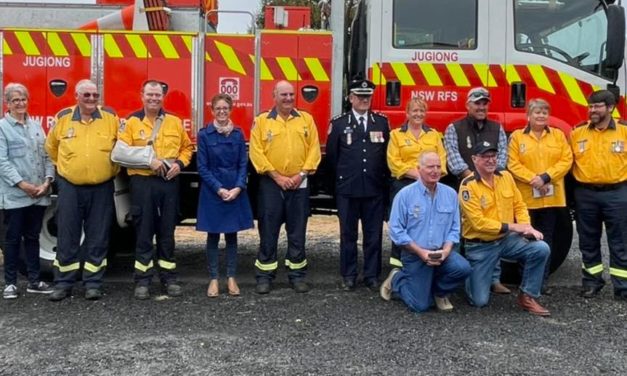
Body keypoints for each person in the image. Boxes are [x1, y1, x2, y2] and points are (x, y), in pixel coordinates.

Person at [117, 80, 193, 300]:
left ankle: (169, 278)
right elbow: (120, 152)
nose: (153, 99)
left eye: (157, 95)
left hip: (168, 183)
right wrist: (148, 160)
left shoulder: (174, 122)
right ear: (142, 95)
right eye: (149, 94)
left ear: (163, 97)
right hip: (142, 183)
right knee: (143, 231)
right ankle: (142, 280)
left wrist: (179, 164)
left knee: (167, 232)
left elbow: (187, 148)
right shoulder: (131, 122)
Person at [45, 79, 119, 301]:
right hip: (70, 187)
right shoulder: (63, 118)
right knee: (68, 234)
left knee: (98, 236)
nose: (91, 99)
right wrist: (68, 168)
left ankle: (93, 283)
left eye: (95, 95)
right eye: (86, 95)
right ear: (76, 96)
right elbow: (51, 147)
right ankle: (63, 284)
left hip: (102, 187)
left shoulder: (110, 119)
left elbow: (121, 147)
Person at [459, 141, 550, 316]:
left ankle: (528, 296)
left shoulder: (506, 177)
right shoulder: (467, 186)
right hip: (480, 246)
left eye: (493, 156)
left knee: (540, 248)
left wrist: (526, 227)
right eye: (485, 156)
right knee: (479, 301)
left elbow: (519, 205)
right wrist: (515, 226)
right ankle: (473, 277)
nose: (491, 160)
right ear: (474, 159)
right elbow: (478, 223)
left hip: (505, 240)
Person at [249, 80, 321, 294]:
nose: (288, 98)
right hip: (271, 183)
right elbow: (256, 152)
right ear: (274, 96)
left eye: (291, 94)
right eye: (284, 95)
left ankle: (297, 276)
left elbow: (314, 151)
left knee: (297, 232)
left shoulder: (306, 120)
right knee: (268, 231)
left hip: (299, 183)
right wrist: (277, 177)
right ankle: (264, 276)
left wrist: (301, 174)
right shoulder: (262, 121)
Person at [381, 152, 471, 312]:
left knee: (463, 269)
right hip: (415, 255)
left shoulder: (450, 194)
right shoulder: (405, 195)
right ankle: (397, 280)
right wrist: (420, 251)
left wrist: (446, 251)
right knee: (420, 306)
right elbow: (396, 231)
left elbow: (455, 229)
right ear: (419, 169)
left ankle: (439, 293)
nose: (435, 171)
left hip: (441, 253)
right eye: (430, 167)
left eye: (438, 166)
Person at [444, 87, 510, 295]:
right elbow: (453, 157)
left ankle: (494, 279)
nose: (481, 107)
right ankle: (454, 276)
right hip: (462, 188)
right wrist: (473, 179)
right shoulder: (454, 128)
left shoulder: (497, 128)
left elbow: (502, 159)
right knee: (456, 232)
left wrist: (487, 178)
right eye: (477, 103)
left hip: (492, 189)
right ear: (468, 105)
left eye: (484, 103)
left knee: (494, 233)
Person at [326, 78, 390, 292]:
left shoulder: (381, 123)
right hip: (349, 189)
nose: (364, 100)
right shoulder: (339, 124)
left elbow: (385, 157)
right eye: (360, 96)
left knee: (374, 236)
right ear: (351, 98)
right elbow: (333, 158)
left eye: (367, 97)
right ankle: (349, 275)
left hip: (373, 188)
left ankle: (371, 275)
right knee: (348, 235)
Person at [507, 99, 572, 294]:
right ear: (529, 115)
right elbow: (513, 163)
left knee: (547, 240)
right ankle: (524, 281)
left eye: (545, 112)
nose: (541, 115)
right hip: (526, 198)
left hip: (551, 198)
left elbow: (566, 159)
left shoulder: (558, 135)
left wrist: (546, 177)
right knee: (525, 240)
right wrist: (533, 179)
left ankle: (541, 283)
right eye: (537, 112)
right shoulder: (518, 137)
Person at [570, 90, 627, 300]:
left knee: (620, 241)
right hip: (586, 194)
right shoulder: (577, 133)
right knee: (588, 241)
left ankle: (622, 287)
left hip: (617, 193)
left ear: (610, 108)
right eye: (590, 106)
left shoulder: (624, 132)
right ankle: (592, 282)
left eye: (597, 106)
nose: (592, 110)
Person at [0, 83, 54, 299]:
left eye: (23, 99)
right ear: (7, 103)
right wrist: (22, 184)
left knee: (33, 237)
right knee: (13, 238)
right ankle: (10, 283)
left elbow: (48, 155)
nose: (20, 103)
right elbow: (2, 162)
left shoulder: (36, 127)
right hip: (16, 195)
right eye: (15, 100)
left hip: (39, 194)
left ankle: (34, 280)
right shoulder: (3, 127)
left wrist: (47, 181)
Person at [196, 94, 253, 298]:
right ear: (212, 111)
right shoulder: (204, 135)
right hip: (213, 191)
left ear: (230, 110)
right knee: (212, 236)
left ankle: (231, 277)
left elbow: (242, 165)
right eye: (218, 108)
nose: (221, 112)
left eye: (225, 108)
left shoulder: (238, 134)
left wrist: (238, 187)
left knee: (231, 236)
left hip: (234, 189)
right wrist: (219, 188)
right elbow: (202, 167)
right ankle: (213, 279)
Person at [386, 97, 447, 268]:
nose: (418, 114)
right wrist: (420, 175)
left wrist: (428, 176)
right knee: (401, 224)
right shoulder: (396, 135)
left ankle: (424, 260)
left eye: (421, 111)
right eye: (414, 111)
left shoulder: (434, 135)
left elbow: (442, 161)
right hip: (404, 185)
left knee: (425, 222)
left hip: (429, 187)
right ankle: (397, 267)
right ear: (407, 113)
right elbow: (393, 162)